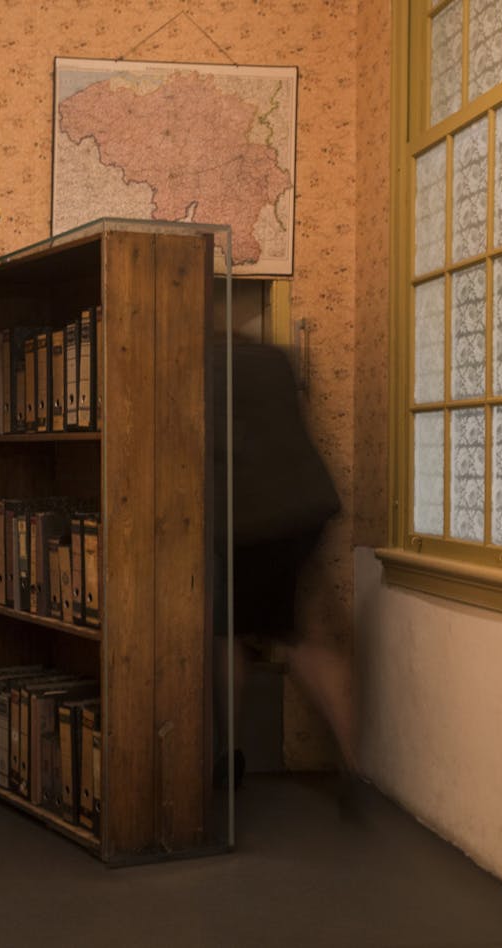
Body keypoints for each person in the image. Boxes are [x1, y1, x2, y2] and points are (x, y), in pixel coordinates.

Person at [213, 337, 359, 792]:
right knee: (298, 635)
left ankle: (227, 756)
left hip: (253, 519)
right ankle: (353, 764)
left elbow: (215, 445)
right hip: (307, 509)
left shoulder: (201, 364)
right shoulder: (270, 355)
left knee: (227, 635)